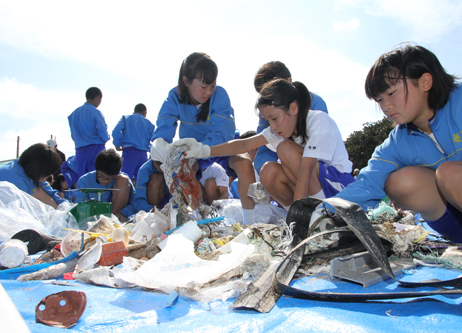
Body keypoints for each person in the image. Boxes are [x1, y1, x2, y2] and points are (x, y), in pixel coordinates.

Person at [334, 44, 462, 247]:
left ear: (425, 82)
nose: (385, 106)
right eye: (379, 99)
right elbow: (368, 182)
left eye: (392, 93)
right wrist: (325, 212)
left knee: (450, 173)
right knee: (400, 182)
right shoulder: (399, 139)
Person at [175, 79, 354, 210]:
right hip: (311, 188)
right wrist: (203, 150)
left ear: (293, 108)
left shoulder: (318, 120)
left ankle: (317, 215)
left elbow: (306, 168)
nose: (273, 126)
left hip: (338, 188)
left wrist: (302, 214)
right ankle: (296, 213)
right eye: (268, 121)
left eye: (274, 118)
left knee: (285, 149)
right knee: (268, 170)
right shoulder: (281, 128)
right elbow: (242, 145)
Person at [152, 52, 256, 224]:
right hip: (193, 150)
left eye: (212, 86)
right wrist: (160, 149)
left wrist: (204, 149)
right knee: (185, 175)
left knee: (244, 163)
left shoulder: (220, 95)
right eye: (203, 87)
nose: (208, 91)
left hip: (221, 145)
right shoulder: (175, 97)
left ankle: (250, 224)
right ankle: (201, 220)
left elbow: (223, 133)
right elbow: (163, 131)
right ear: (186, 81)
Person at [253, 61, 329, 176]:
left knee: (286, 149)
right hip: (286, 168)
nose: (268, 96)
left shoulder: (316, 105)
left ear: (289, 81)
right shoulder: (267, 114)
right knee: (269, 172)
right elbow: (263, 151)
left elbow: (318, 150)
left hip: (314, 168)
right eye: (263, 94)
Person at [0, 143, 67, 208]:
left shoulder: (22, 166)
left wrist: (65, 205)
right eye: (46, 175)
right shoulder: (16, 181)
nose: (46, 179)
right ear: (40, 170)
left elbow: (49, 191)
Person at [76, 149, 136, 222]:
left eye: (110, 179)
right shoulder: (84, 181)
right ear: (96, 170)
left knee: (123, 179)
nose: (105, 182)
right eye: (101, 176)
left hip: (115, 218)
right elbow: (80, 207)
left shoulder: (122, 180)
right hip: (92, 220)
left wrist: (122, 213)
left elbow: (135, 203)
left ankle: (110, 220)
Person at [68, 87, 110, 179]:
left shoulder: (73, 114)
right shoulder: (96, 112)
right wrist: (107, 138)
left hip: (80, 150)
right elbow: (103, 133)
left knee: (82, 179)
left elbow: (73, 135)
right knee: (97, 179)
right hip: (96, 148)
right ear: (97, 97)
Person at [112, 103, 155, 182]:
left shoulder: (126, 118)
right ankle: (140, 194)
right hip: (143, 154)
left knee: (124, 179)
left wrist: (117, 145)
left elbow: (116, 131)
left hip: (129, 152)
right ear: (145, 113)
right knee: (142, 181)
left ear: (134, 111)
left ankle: (124, 194)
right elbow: (154, 141)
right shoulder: (150, 124)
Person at [133, 138, 172, 213]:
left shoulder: (174, 167)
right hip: (152, 207)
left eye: (164, 165)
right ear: (153, 160)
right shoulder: (144, 170)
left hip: (169, 203)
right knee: (156, 177)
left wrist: (174, 208)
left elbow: (177, 194)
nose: (162, 168)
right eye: (159, 164)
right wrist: (150, 209)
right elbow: (138, 200)